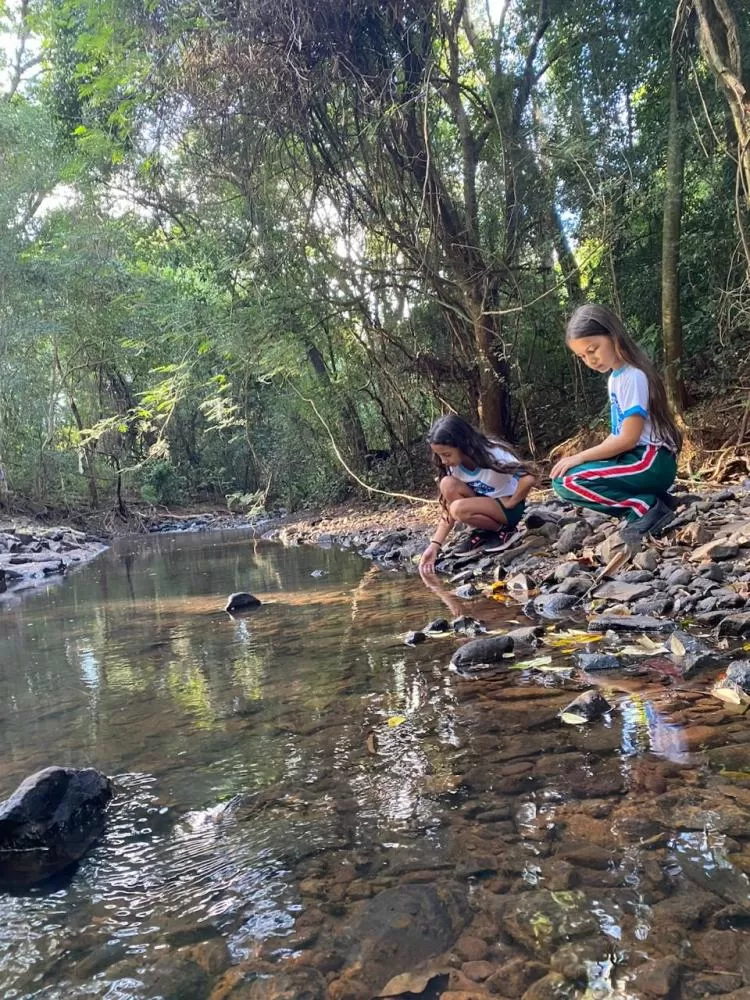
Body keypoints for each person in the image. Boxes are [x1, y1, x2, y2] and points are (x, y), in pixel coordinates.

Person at [550, 304, 683, 542]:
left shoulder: (633, 376)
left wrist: (580, 457)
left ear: (613, 336)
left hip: (651, 460)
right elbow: (616, 433)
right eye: (582, 356)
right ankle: (655, 501)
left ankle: (644, 508)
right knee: (568, 475)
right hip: (640, 458)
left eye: (593, 349)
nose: (590, 360)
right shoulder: (615, 378)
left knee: (568, 480)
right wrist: (583, 457)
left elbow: (628, 438)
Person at [419, 414, 537, 573]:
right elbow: (447, 508)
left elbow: (528, 479)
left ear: (462, 444)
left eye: (446, 455)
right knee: (446, 484)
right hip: (483, 504)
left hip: (507, 509)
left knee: (458, 509)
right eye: (439, 456)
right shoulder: (454, 465)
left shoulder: (493, 452)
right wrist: (434, 545)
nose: (443, 461)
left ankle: (504, 531)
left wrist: (511, 502)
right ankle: (483, 532)